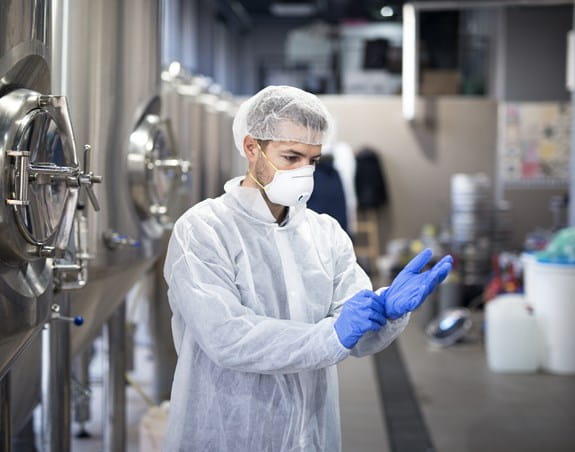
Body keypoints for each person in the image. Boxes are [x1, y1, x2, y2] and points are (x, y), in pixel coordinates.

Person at [163, 85, 452, 451]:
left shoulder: (324, 233)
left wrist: (385, 311)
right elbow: (227, 337)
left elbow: (354, 333)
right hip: (227, 431)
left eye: (312, 160)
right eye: (291, 157)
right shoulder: (204, 229)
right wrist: (330, 337)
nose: (304, 172)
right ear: (252, 148)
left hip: (309, 434)